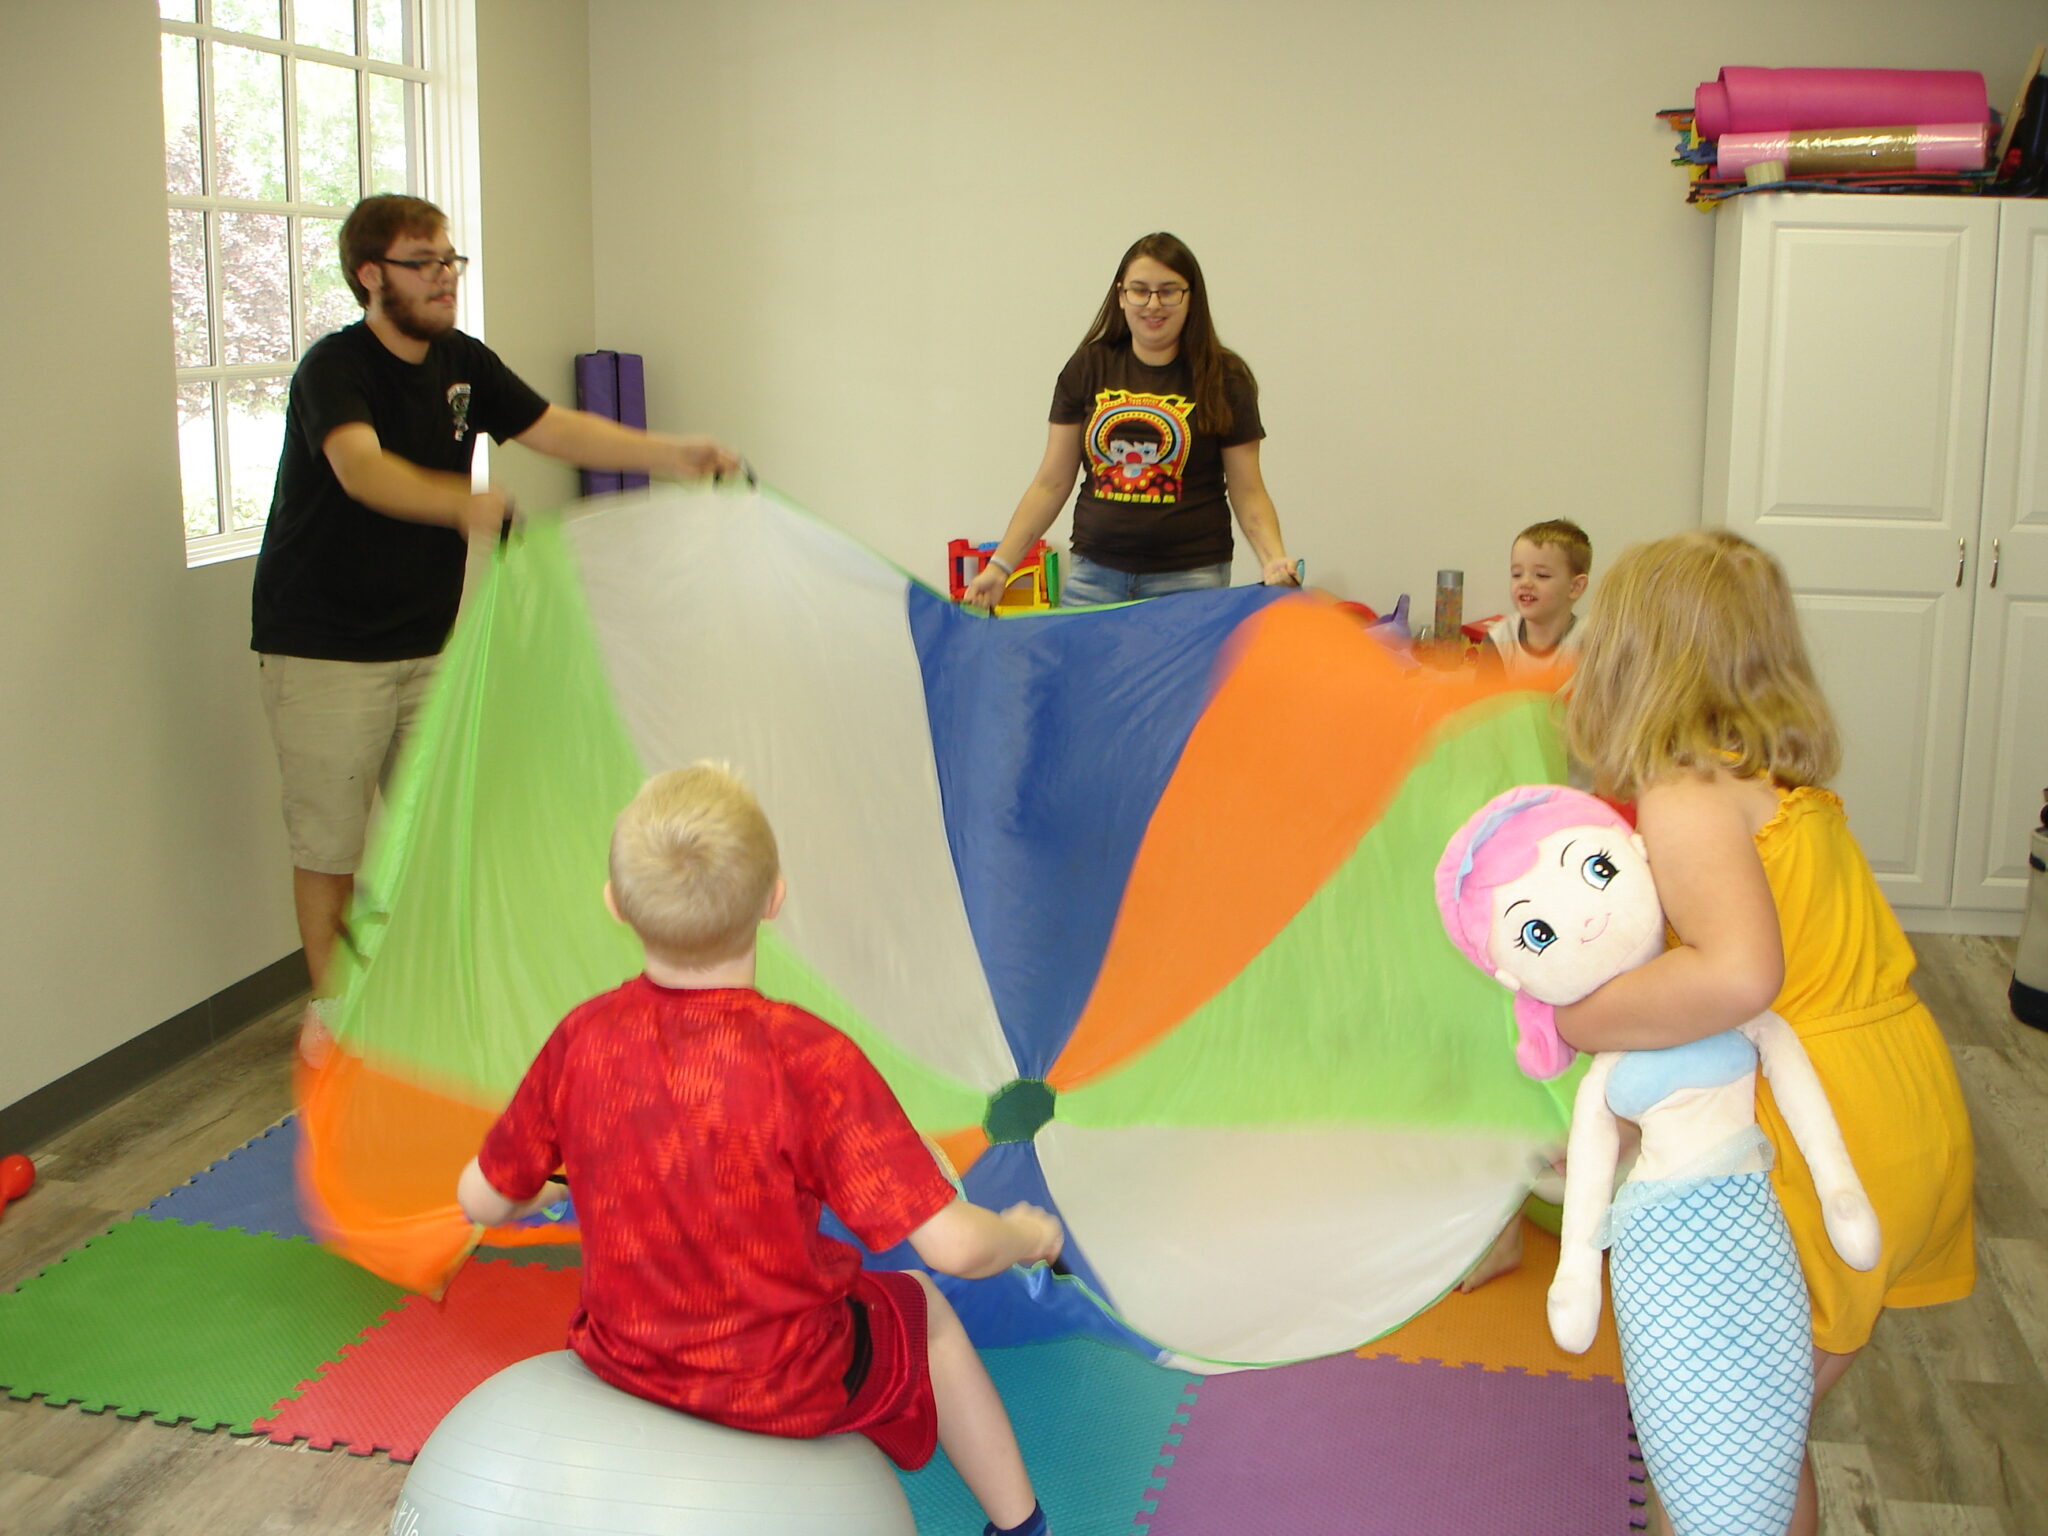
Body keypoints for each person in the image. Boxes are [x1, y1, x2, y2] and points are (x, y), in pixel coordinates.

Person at [457, 764, 1062, 1536]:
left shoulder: (583, 1039)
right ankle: (1022, 1528)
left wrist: (548, 1186)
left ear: (615, 905)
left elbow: (480, 1200)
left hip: (626, 1359)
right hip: (781, 1382)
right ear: (774, 897)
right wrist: (1023, 1233)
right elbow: (951, 1245)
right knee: (928, 1312)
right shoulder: (810, 1059)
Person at [1553, 529, 1975, 1536]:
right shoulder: (1781, 788)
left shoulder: (1685, 793)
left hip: (1816, 1119)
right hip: (1896, 1101)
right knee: (1762, 1437)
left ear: (1629, 658)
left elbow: (1739, 974)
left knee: (1711, 1449)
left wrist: (1582, 1018)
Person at [252, 193, 741, 998]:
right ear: (371, 276)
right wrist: (459, 504)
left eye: (451, 259)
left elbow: (555, 428)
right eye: (424, 263)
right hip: (324, 650)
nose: (446, 278)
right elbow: (359, 468)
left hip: (429, 643)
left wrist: (675, 453)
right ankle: (335, 1023)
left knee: (445, 834)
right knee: (331, 849)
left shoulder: (462, 363)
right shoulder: (334, 370)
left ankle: (433, 1004)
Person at [962, 232, 1295, 610]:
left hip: (1192, 579)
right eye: (1140, 290)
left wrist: (1273, 559)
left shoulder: (1225, 376)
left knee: (1178, 674)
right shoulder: (1088, 366)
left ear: (1191, 298)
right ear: (1121, 296)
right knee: (1085, 671)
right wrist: (1000, 566)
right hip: (1095, 575)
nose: (1153, 304)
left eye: (1169, 291)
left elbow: (1248, 489)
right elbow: (1051, 482)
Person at [1476, 518, 1591, 677]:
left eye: (1542, 575)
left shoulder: (1589, 641)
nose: (1525, 582)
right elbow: (1485, 700)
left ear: (1575, 587)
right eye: (1517, 574)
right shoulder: (1500, 638)